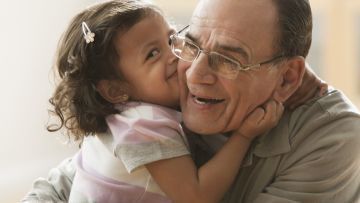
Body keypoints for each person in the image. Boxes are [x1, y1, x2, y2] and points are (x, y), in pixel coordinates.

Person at [23, 0, 360, 202]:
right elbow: (59, 186)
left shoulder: (334, 135)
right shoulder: (158, 101)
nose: (193, 74)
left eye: (228, 59)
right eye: (191, 44)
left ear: (287, 78)